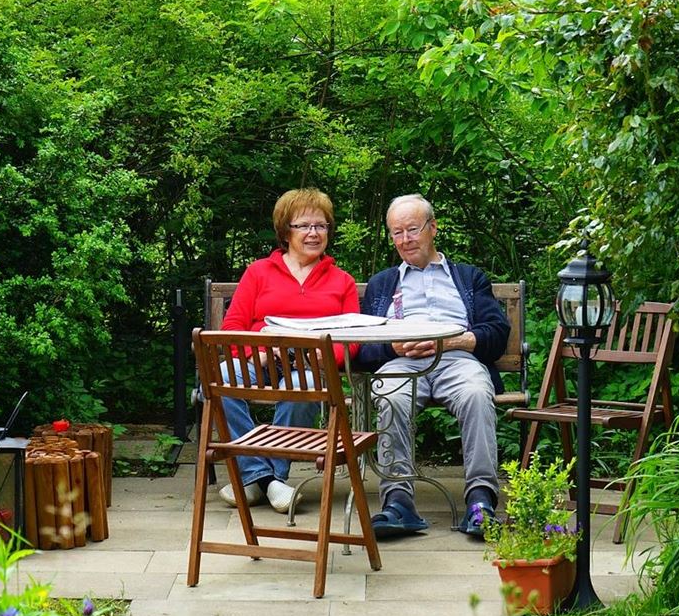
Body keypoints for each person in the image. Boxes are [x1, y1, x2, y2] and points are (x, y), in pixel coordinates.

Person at [356, 194, 510, 539]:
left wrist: (452, 342)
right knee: (390, 395)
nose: (405, 239)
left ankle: (481, 501)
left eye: (412, 229)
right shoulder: (383, 282)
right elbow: (361, 348)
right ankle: (398, 503)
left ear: (433, 227)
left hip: (457, 359)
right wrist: (391, 345)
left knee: (475, 393)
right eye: (396, 233)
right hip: (402, 361)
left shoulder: (468, 277)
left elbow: (496, 332)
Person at [217, 187, 360, 513]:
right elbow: (231, 329)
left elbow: (352, 342)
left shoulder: (342, 281)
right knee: (221, 376)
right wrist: (257, 353)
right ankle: (266, 480)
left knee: (303, 385)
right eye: (304, 226)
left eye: (321, 226)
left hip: (309, 365)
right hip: (262, 359)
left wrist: (321, 357)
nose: (314, 233)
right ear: (286, 231)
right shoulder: (258, 272)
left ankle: (266, 479)